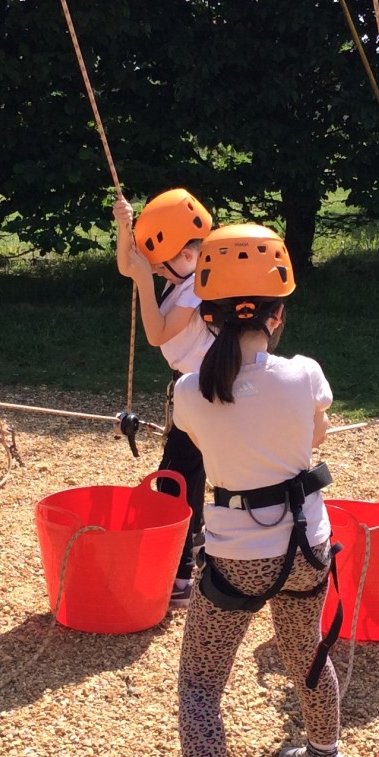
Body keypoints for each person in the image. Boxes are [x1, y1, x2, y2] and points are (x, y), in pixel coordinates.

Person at [133, 225, 350, 757]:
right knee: (306, 652)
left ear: (208, 314)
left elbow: (213, 438)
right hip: (308, 546)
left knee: (201, 686)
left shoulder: (188, 391)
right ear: (276, 317)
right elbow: (316, 437)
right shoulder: (306, 373)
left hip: (239, 558)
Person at [113, 189, 215, 607]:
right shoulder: (187, 275)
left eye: (160, 267)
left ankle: (181, 574)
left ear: (186, 255)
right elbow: (129, 265)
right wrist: (124, 227)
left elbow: (156, 334)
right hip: (194, 388)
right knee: (190, 473)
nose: (156, 272)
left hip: (205, 392)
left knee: (176, 477)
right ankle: (196, 553)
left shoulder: (198, 288)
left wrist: (144, 280)